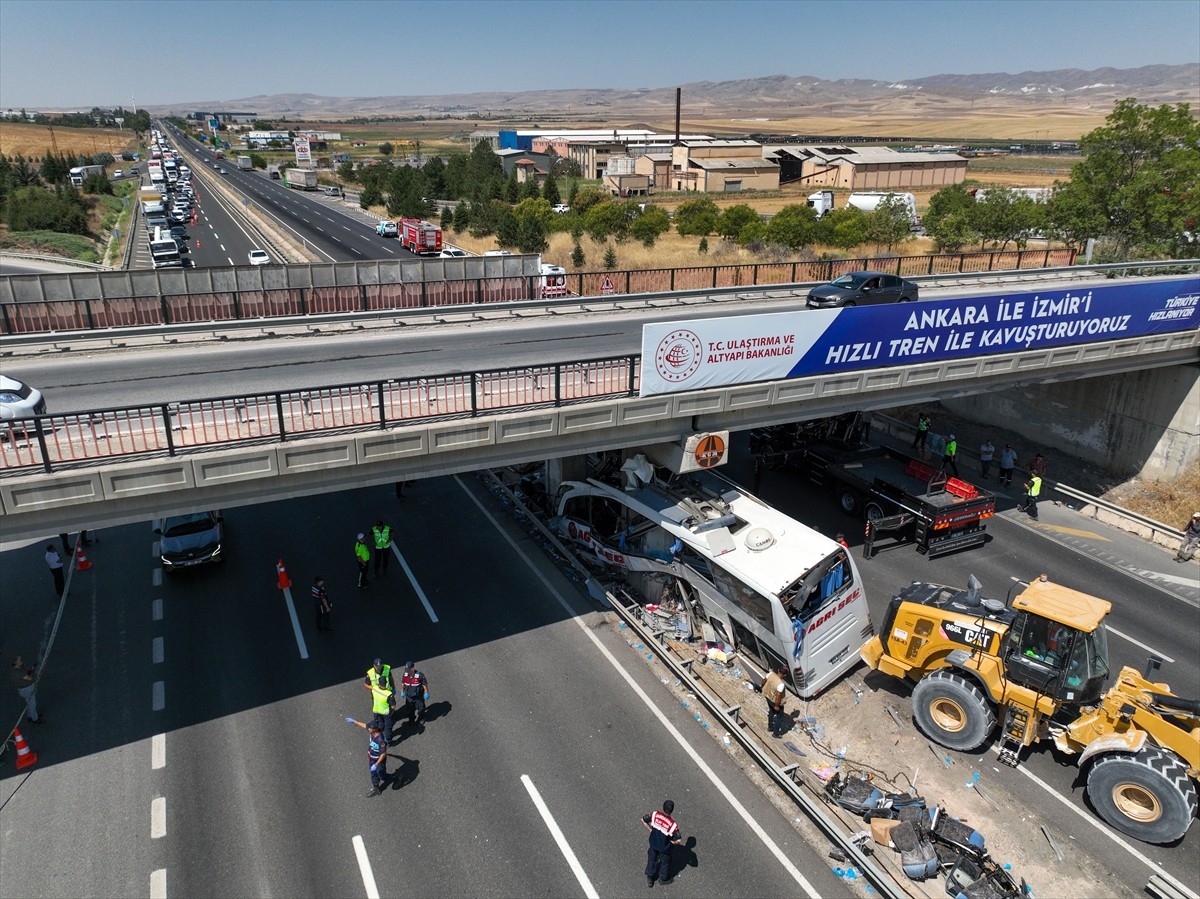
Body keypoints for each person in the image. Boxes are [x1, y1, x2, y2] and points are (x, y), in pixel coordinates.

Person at [642, 799, 682, 887]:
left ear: (663, 807)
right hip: (665, 848)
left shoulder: (655, 815)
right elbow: (678, 840)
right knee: (665, 862)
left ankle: (650, 877)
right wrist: (673, 842)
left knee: (652, 859)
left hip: (653, 844)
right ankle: (663, 879)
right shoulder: (673, 825)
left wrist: (650, 830)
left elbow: (643, 820)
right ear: (672, 810)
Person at [346, 717, 389, 798]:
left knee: (382, 775)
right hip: (372, 759)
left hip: (378, 761)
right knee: (373, 774)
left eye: (370, 728)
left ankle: (396, 777)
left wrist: (376, 764)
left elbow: (383, 754)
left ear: (375, 730)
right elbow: (364, 725)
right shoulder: (372, 732)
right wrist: (355, 721)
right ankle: (376, 788)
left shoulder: (380, 740)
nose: (368, 728)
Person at [364, 658, 398, 742]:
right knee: (381, 716)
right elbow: (366, 684)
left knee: (386, 710)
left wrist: (393, 687)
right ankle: (382, 731)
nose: (379, 668)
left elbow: (391, 678)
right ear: (374, 666)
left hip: (386, 693)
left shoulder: (386, 669)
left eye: (380, 666)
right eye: (377, 666)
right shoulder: (370, 673)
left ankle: (382, 727)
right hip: (377, 695)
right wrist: (375, 689)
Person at [10, 655, 41, 723]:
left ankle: (30, 716)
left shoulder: (17, 669)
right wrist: (36, 677)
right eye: (20, 660)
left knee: (28, 703)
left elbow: (26, 673)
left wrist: (30, 670)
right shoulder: (16, 673)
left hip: (25, 690)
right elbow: (29, 678)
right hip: (27, 690)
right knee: (32, 704)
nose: (22, 661)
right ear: (15, 662)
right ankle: (35, 718)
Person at [761, 665, 788, 739]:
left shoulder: (771, 674)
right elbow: (778, 696)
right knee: (779, 716)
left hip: (767, 696)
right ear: (785, 675)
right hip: (774, 701)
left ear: (778, 670)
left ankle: (770, 727)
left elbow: (764, 680)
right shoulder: (780, 684)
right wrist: (777, 706)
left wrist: (762, 686)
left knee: (771, 711)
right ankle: (775, 733)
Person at [401, 660, 428, 726]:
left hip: (418, 697)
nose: (407, 671)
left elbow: (424, 685)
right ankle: (411, 720)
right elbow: (403, 684)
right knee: (409, 710)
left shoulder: (420, 675)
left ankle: (421, 718)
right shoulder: (405, 675)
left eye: (409, 670)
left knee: (421, 708)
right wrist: (402, 691)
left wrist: (426, 692)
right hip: (409, 696)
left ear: (413, 668)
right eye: (406, 670)